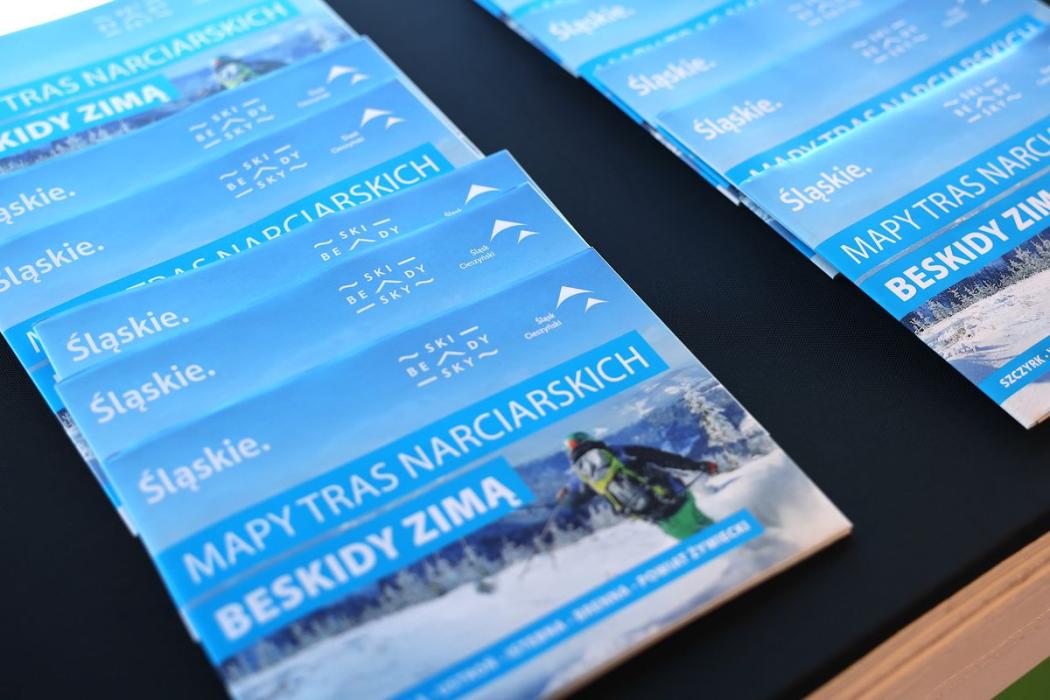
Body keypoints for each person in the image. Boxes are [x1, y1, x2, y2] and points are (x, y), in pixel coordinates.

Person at [556, 432, 719, 540]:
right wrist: (699, 466)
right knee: (717, 532)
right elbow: (663, 458)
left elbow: (573, 502)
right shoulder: (620, 451)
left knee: (707, 547)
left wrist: (565, 495)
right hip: (679, 496)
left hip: (661, 517)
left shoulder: (585, 478)